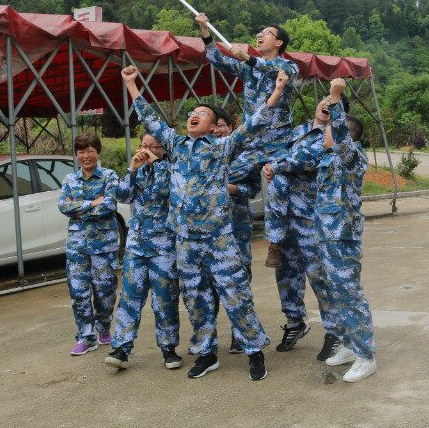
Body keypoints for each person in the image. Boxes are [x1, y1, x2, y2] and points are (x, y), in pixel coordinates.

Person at [122, 63, 289, 381]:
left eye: (201, 113)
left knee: (235, 293)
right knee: (195, 298)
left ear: (212, 125)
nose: (193, 116)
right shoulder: (175, 145)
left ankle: (254, 351)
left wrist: (277, 90)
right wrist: (131, 84)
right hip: (186, 241)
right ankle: (206, 353)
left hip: (218, 238)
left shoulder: (222, 148)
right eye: (191, 113)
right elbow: (149, 118)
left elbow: (255, 123)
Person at [195, 13, 298, 268]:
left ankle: (275, 242)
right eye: (259, 33)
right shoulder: (248, 69)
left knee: (279, 184)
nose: (259, 36)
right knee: (223, 176)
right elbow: (217, 60)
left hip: (278, 142)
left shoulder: (288, 66)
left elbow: (276, 71)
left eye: (266, 33)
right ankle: (211, 227)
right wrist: (205, 31)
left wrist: (248, 58)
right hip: (251, 142)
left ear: (279, 43)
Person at [261, 95, 343, 358]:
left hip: (310, 216)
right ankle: (294, 322)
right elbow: (278, 152)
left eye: (333, 104)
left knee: (319, 274)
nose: (326, 105)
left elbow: (306, 159)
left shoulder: (333, 136)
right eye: (324, 100)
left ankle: (335, 331)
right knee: (286, 273)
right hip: (283, 216)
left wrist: (277, 166)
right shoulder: (299, 130)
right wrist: (273, 166)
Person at [104, 132, 183, 371]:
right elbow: (121, 195)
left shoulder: (171, 169)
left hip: (163, 248)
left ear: (162, 148)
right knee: (130, 298)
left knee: (165, 300)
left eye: (152, 146)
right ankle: (121, 348)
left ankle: (169, 348)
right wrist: (132, 169)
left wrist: (156, 164)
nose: (146, 150)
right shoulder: (137, 171)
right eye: (143, 145)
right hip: (136, 246)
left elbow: (165, 190)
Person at [317, 79, 377, 382]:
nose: (324, 134)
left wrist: (335, 98)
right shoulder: (328, 160)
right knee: (334, 293)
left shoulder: (352, 158)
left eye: (328, 129)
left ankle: (366, 355)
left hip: (343, 236)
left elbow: (340, 138)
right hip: (326, 236)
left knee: (349, 294)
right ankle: (350, 345)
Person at [58, 133, 120, 356]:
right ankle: (85, 336)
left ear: (98, 153)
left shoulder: (110, 176)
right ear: (76, 155)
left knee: (105, 292)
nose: (86, 156)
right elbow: (62, 206)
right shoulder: (69, 179)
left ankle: (103, 327)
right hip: (77, 247)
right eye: (81, 151)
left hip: (104, 246)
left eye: (90, 151)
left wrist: (78, 208)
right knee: (78, 292)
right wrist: (91, 203)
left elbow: (109, 205)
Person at [212, 108, 262, 355]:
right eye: (213, 126)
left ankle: (240, 334)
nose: (217, 130)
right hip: (208, 229)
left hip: (236, 225)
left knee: (240, 279)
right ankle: (207, 339)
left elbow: (253, 189)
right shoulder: (198, 152)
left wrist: (231, 188)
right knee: (207, 284)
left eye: (221, 125)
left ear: (231, 127)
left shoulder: (246, 154)